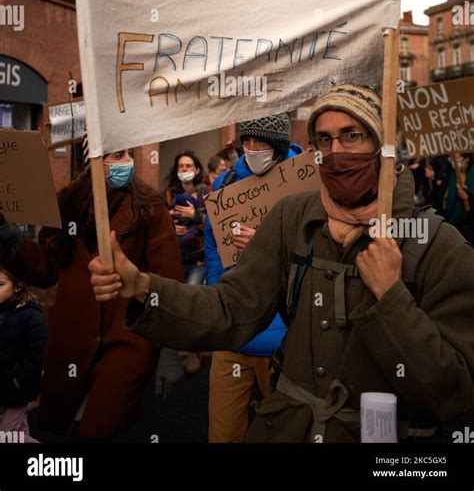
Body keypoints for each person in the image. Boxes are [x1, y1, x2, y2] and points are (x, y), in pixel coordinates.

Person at [89, 84, 474, 443]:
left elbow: (452, 390)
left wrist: (391, 298)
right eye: (324, 139)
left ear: (382, 145)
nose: (336, 150)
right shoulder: (292, 218)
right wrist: (143, 287)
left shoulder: (437, 246)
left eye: (352, 135)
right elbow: (229, 308)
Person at [0, 143, 184, 440]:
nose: (127, 162)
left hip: (127, 340)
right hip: (72, 340)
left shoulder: (149, 207)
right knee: (57, 427)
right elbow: (46, 269)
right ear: (93, 160)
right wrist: (8, 237)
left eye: (129, 154)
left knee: (100, 428)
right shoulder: (68, 203)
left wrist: (170, 351)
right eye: (117, 155)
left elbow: (169, 280)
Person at [204, 114, 303, 442]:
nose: (252, 149)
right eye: (247, 141)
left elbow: (318, 252)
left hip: (286, 338)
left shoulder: (303, 184)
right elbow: (212, 245)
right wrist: (219, 293)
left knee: (282, 432)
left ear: (277, 147)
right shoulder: (226, 184)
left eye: (260, 143)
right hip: (232, 332)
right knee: (223, 432)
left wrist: (265, 244)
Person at [163, 151, 209, 374]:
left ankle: (192, 352)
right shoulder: (169, 194)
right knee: (175, 303)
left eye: (188, 165)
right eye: (181, 166)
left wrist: (195, 216)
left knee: (191, 302)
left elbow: (215, 223)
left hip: (198, 260)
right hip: (175, 260)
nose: (184, 170)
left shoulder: (205, 194)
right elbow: (159, 222)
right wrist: (171, 228)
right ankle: (178, 351)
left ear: (197, 169)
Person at [0, 265, 47, 443]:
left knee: (6, 437)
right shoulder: (3, 312)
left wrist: (19, 377)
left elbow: (39, 351)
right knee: (17, 433)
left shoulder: (30, 315)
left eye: (0, 284)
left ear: (17, 286)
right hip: (5, 388)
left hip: (19, 389)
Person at [444, 153, 474, 245]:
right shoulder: (450, 174)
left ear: (466, 159)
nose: (452, 159)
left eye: (455, 157)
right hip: (452, 225)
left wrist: (468, 197)